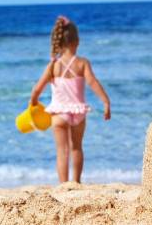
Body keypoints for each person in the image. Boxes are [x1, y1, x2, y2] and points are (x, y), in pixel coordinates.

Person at [30, 15, 111, 183]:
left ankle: (63, 184)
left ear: (58, 42)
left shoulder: (53, 65)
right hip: (78, 112)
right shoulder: (82, 63)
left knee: (62, 151)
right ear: (77, 41)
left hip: (59, 114)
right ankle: (76, 182)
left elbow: (38, 88)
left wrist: (33, 102)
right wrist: (105, 101)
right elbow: (93, 82)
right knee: (76, 148)